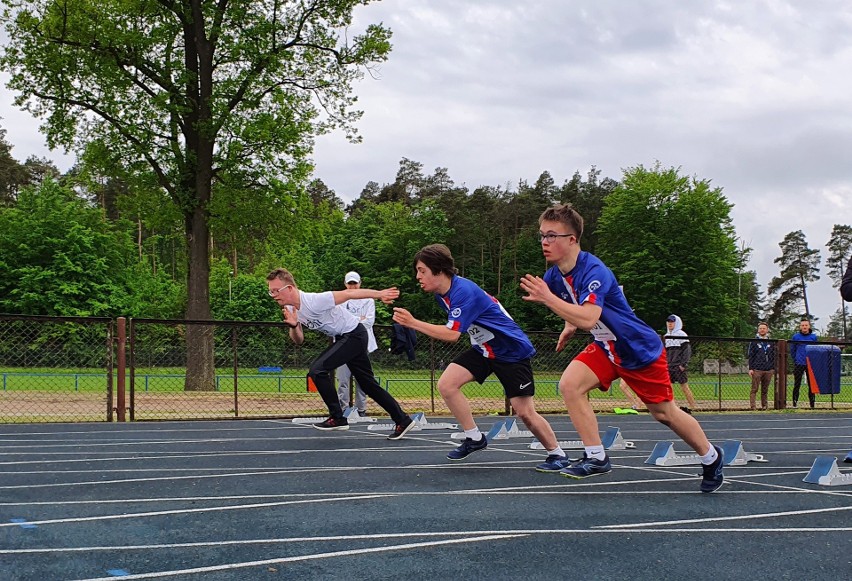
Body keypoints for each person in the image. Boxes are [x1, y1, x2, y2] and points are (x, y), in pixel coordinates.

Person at [519, 203, 724, 492]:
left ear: (572, 239)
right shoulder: (555, 276)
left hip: (637, 349)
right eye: (541, 235)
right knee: (570, 385)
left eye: (552, 235)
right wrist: (568, 325)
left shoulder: (594, 270)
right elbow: (577, 309)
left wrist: (550, 301)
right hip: (606, 346)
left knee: (664, 413)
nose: (544, 242)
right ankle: (596, 456)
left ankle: (711, 456)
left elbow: (589, 316)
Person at [391, 243, 570, 471]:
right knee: (447, 384)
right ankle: (474, 437)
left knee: (524, 412)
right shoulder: (441, 295)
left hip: (510, 352)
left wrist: (413, 323)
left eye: (421, 270)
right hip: (485, 349)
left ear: (439, 270)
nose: (418, 276)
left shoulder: (463, 292)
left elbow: (452, 334)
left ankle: (558, 454)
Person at [266, 268, 416, 439]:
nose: (273, 295)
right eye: (270, 291)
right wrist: (293, 326)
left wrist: (379, 294)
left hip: (354, 334)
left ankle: (337, 417)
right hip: (345, 337)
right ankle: (402, 420)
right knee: (368, 385)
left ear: (290, 289)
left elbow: (349, 294)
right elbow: (299, 340)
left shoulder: (315, 300)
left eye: (276, 291)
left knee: (317, 370)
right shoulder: (290, 308)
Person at [336, 271, 375, 416]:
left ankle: (361, 409)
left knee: (362, 379)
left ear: (360, 284)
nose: (352, 286)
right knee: (342, 380)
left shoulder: (368, 300)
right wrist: (359, 319)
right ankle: (343, 409)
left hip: (362, 344)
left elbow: (369, 322)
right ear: (345, 284)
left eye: (355, 283)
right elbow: (339, 321)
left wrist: (351, 320)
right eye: (350, 283)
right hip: (343, 343)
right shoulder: (340, 300)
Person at [664, 314, 696, 414]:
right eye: (668, 321)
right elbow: (665, 352)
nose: (670, 323)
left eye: (672, 322)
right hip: (669, 365)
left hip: (679, 366)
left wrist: (683, 364)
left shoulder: (682, 335)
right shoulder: (666, 336)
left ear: (676, 322)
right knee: (669, 388)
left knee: (684, 387)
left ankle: (693, 406)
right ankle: (672, 407)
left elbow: (687, 351)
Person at [790, 318, 818, 408]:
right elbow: (792, 350)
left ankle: (812, 404)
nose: (804, 327)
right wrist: (796, 359)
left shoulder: (813, 337)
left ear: (809, 326)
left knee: (811, 385)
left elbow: (816, 350)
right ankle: (794, 403)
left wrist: (813, 360)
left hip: (810, 364)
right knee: (797, 384)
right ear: (800, 327)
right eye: (802, 325)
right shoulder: (796, 337)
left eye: (806, 325)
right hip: (799, 363)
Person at [747, 322, 775, 411]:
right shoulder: (754, 341)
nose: (762, 330)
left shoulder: (771, 341)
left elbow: (773, 355)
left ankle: (764, 406)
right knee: (754, 389)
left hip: (768, 369)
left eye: (764, 328)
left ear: (767, 330)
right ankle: (753, 406)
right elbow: (751, 355)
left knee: (765, 390)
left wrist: (773, 368)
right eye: (760, 328)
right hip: (757, 369)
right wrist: (751, 368)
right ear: (758, 330)